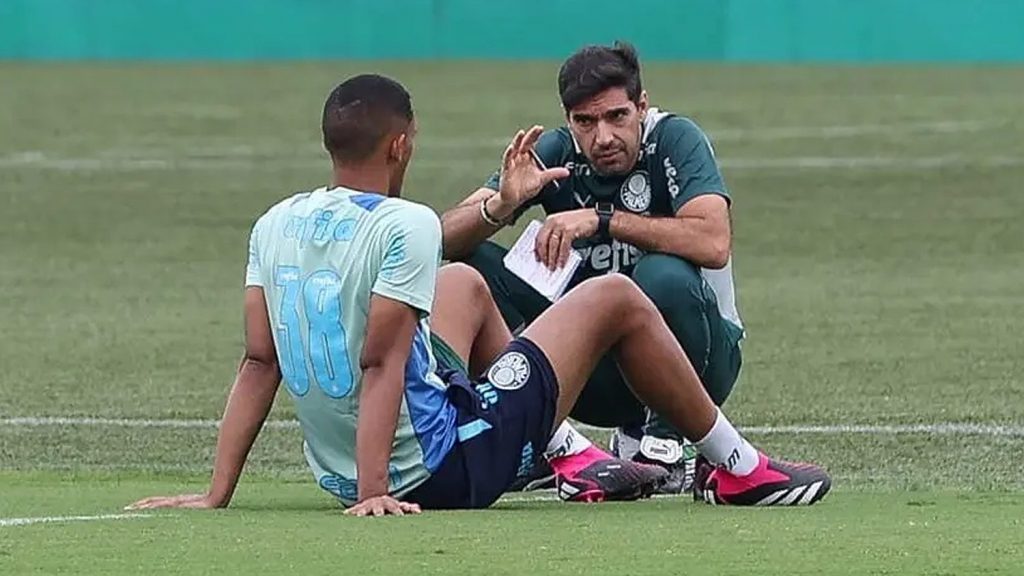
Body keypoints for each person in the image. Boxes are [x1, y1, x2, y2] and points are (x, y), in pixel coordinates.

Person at [127, 74, 830, 515]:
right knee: (614, 294)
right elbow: (380, 362)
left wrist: (217, 492)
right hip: (441, 471)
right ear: (401, 146)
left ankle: (571, 456)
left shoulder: (273, 221)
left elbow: (258, 364)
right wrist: (379, 491)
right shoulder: (402, 223)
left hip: (337, 478)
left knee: (461, 280)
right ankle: (739, 468)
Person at [440, 41, 744, 493]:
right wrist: (503, 204)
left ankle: (664, 443)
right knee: (471, 268)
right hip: (596, 375)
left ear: (641, 106)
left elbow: (714, 241)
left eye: (616, 117)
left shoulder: (676, 139)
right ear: (568, 120)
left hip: (701, 358)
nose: (602, 137)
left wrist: (604, 221)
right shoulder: (555, 152)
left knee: (661, 275)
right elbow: (442, 238)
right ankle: (525, 437)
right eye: (585, 121)